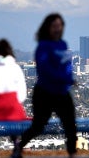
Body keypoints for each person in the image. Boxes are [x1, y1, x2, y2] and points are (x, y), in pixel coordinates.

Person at [12, 13, 77, 158]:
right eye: (54, 26)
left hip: (62, 92)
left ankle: (72, 153)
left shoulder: (63, 45)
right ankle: (19, 146)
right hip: (45, 93)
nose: (57, 29)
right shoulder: (43, 46)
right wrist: (64, 78)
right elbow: (44, 69)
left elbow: (67, 66)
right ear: (48, 28)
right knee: (38, 125)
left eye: (60, 26)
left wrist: (69, 79)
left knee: (70, 123)